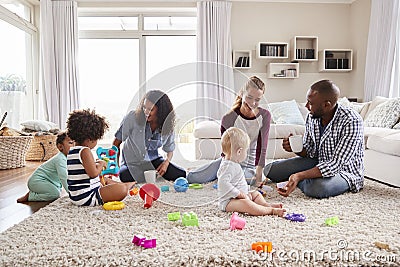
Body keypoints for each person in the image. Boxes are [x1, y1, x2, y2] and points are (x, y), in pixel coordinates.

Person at [263, 80, 364, 199]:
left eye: (310, 103)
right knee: (270, 170)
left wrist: (299, 176)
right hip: (317, 161)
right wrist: (296, 149)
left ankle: (300, 180)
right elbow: (310, 152)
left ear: (326, 105)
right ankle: (304, 178)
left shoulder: (351, 121)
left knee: (317, 188)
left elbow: (335, 164)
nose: (306, 106)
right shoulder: (313, 116)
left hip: (344, 171)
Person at [187, 76, 271, 186]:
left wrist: (259, 176)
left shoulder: (265, 116)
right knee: (192, 177)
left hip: (249, 166)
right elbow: (225, 150)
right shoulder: (229, 118)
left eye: (257, 99)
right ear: (242, 94)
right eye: (249, 97)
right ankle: (203, 170)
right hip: (228, 161)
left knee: (245, 180)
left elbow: (262, 148)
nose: (252, 103)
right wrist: (227, 168)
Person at [113, 90, 186, 183]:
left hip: (153, 161)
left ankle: (149, 175)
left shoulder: (167, 126)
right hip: (132, 163)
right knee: (125, 175)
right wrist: (116, 166)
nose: (146, 112)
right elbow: (116, 143)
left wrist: (165, 163)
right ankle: (150, 175)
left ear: (161, 111)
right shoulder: (132, 117)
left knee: (180, 174)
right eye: (144, 108)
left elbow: (170, 150)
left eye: (151, 109)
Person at [66, 109, 135, 206]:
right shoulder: (85, 151)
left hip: (76, 196)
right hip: (87, 197)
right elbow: (93, 173)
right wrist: (101, 164)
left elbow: (84, 171)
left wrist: (96, 164)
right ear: (90, 139)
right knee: (121, 190)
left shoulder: (72, 150)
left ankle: (124, 185)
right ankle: (125, 186)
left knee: (105, 180)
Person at [218, 127, 285, 216]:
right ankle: (271, 211)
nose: (246, 154)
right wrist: (239, 194)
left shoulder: (232, 163)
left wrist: (245, 192)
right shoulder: (228, 166)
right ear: (239, 152)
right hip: (229, 201)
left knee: (255, 194)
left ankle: (265, 205)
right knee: (247, 205)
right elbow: (223, 183)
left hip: (242, 196)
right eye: (246, 151)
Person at [17, 132, 73, 202]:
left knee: (57, 190)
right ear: (60, 147)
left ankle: (38, 191)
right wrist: (72, 194)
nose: (74, 145)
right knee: (55, 194)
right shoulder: (60, 159)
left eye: (75, 143)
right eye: (70, 143)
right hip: (38, 181)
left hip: (50, 182)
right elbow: (64, 177)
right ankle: (31, 196)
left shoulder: (70, 158)